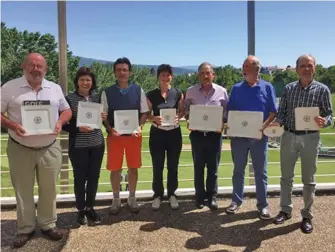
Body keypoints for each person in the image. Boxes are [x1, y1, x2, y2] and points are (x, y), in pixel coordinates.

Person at [0, 53, 72, 248]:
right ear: (24, 67)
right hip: (20, 148)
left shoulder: (54, 88)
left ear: (45, 69)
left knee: (49, 189)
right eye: (31, 65)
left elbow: (67, 111)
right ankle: (25, 228)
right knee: (23, 190)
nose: (36, 69)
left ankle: (48, 224)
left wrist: (59, 122)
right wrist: (13, 125)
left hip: (50, 148)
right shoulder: (9, 87)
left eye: (40, 66)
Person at [269, 54, 333, 233]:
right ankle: (285, 210)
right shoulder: (289, 89)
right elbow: (281, 113)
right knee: (286, 177)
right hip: (289, 135)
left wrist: (324, 121)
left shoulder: (322, 90)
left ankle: (306, 215)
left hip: (311, 137)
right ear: (297, 69)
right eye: (303, 66)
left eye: (309, 65)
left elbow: (330, 115)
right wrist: (277, 123)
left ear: (315, 68)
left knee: (309, 180)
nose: (306, 68)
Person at [225, 55, 277, 220]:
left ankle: (263, 205)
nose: (243, 69)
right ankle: (236, 201)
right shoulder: (236, 88)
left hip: (259, 137)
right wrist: (230, 124)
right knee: (238, 171)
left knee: (260, 173)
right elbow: (230, 112)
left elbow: (273, 112)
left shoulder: (267, 87)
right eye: (243, 66)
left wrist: (265, 125)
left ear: (256, 69)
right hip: (239, 138)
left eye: (246, 66)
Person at [100, 57, 149, 214]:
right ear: (114, 72)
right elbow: (104, 116)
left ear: (130, 72)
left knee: (133, 168)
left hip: (134, 136)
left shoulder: (138, 90)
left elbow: (144, 112)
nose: (122, 73)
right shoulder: (107, 92)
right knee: (115, 169)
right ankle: (116, 200)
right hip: (115, 137)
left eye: (125, 70)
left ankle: (132, 198)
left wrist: (140, 127)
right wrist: (109, 129)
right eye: (119, 70)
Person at [62, 67, 106, 225]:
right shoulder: (69, 99)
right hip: (79, 145)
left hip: (97, 143)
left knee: (94, 177)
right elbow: (63, 124)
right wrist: (77, 128)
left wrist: (102, 116)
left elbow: (102, 119)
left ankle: (90, 207)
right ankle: (81, 210)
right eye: (82, 80)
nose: (85, 82)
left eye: (88, 80)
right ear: (77, 82)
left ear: (92, 82)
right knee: (80, 178)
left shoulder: (97, 99)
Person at [184, 62, 228, 210]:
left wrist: (222, 123)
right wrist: (189, 118)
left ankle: (212, 197)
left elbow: (226, 112)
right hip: (197, 135)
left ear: (213, 75)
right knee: (198, 167)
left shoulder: (222, 91)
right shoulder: (190, 91)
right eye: (202, 73)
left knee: (213, 168)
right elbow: (185, 110)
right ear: (198, 75)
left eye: (208, 73)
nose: (205, 76)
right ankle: (199, 197)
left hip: (214, 136)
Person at [146, 64, 184, 211]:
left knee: (173, 165)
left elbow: (182, 111)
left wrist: (178, 117)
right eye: (162, 75)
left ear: (171, 77)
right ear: (158, 77)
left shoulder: (178, 93)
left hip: (174, 133)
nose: (165, 77)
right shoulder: (151, 94)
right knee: (158, 165)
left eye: (168, 75)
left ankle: (172, 194)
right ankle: (157, 195)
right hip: (157, 133)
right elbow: (146, 114)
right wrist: (153, 118)